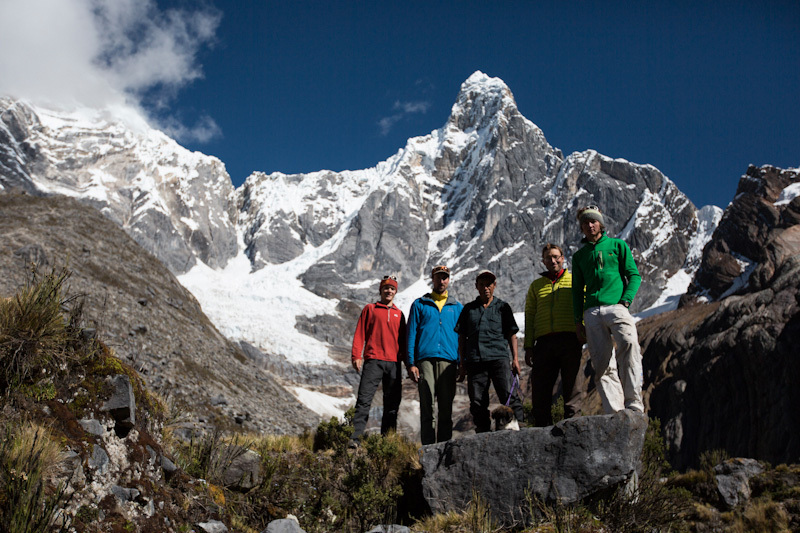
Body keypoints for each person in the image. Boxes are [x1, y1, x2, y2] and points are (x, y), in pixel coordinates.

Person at [572, 205, 644, 414]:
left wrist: (626, 301)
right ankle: (614, 410)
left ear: (601, 224)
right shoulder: (579, 256)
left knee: (630, 346)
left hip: (617, 307)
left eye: (593, 221)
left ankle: (634, 403)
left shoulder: (618, 246)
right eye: (585, 222)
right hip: (592, 312)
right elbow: (577, 290)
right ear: (582, 228)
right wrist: (579, 321)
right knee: (602, 363)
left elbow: (634, 275)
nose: (589, 225)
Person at [454, 270, 524, 433]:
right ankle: (483, 433)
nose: (486, 288)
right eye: (482, 284)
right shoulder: (468, 310)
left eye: (489, 284)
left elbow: (511, 334)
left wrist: (515, 359)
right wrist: (462, 363)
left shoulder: (502, 307)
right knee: (477, 401)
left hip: (499, 358)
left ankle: (520, 428)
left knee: (508, 395)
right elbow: (461, 338)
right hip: (475, 361)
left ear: (494, 285)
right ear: (476, 286)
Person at [524, 244, 584, 426]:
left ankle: (574, 429)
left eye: (556, 256)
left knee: (572, 388)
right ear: (543, 261)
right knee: (540, 390)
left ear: (563, 257)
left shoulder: (575, 281)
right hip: (543, 343)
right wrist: (528, 346)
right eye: (549, 258)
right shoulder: (536, 286)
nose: (553, 260)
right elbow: (530, 315)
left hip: (570, 339)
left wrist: (582, 331)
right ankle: (542, 431)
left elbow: (584, 307)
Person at [407, 265, 463, 445]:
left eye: (445, 277)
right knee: (427, 406)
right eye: (438, 277)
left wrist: (461, 363)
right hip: (425, 360)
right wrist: (410, 363)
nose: (442, 281)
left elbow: (463, 338)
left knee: (446, 408)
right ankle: (428, 448)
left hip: (449, 361)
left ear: (449, 280)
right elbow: (411, 334)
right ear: (433, 278)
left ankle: (445, 448)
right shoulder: (419, 304)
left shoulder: (457, 307)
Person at [350, 275, 408, 443]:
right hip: (373, 360)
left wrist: (409, 363)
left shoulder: (399, 314)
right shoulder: (370, 309)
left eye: (392, 288)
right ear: (380, 290)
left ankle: (387, 441)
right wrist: (356, 355)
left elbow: (403, 342)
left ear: (395, 291)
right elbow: (360, 332)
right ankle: (355, 438)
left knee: (392, 405)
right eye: (386, 288)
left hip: (394, 364)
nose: (389, 291)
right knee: (364, 400)